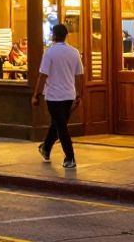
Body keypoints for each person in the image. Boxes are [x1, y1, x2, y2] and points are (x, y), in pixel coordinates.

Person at [33, 23, 84, 169]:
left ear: (54, 35)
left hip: (53, 96)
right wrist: (79, 94)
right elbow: (79, 75)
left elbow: (42, 75)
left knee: (60, 126)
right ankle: (46, 148)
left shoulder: (49, 53)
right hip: (69, 94)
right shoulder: (74, 52)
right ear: (66, 35)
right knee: (58, 123)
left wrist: (36, 94)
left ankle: (70, 157)